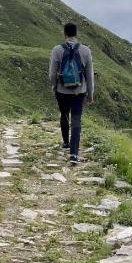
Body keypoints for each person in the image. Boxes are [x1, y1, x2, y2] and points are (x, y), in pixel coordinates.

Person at [48, 22, 94, 164]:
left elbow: (52, 73)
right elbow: (89, 75)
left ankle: (66, 142)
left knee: (64, 114)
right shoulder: (86, 50)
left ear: (64, 34)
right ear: (76, 34)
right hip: (79, 91)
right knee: (76, 120)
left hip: (62, 90)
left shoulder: (57, 50)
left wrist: (55, 86)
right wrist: (90, 94)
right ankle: (73, 154)